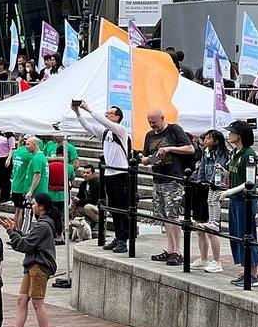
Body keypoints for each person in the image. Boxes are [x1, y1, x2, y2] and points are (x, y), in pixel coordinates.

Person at [140, 108, 196, 266]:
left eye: (154, 122)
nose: (152, 125)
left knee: (173, 215)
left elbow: (190, 148)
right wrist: (150, 159)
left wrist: (170, 148)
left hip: (173, 178)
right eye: (150, 123)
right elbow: (144, 158)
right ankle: (170, 248)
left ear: (162, 118)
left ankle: (177, 251)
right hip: (158, 178)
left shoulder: (174, 130)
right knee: (164, 215)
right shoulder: (149, 136)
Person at [73, 101, 130, 252]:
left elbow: (104, 122)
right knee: (113, 207)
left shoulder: (121, 130)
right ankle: (118, 237)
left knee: (122, 208)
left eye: (110, 113)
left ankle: (123, 239)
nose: (106, 116)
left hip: (120, 173)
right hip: (110, 173)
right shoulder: (106, 133)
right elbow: (89, 127)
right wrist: (78, 113)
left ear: (117, 117)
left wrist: (89, 109)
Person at [3, 193, 60, 327]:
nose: (32, 206)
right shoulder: (42, 223)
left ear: (41, 207)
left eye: (34, 204)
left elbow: (25, 245)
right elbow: (27, 239)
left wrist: (11, 232)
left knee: (37, 303)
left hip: (39, 266)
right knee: (22, 299)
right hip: (32, 265)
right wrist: (15, 231)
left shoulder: (43, 225)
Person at [224, 120, 258, 287]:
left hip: (244, 200)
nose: (229, 134)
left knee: (248, 235)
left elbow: (249, 181)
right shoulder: (235, 153)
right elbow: (235, 174)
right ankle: (246, 270)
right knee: (238, 235)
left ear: (240, 135)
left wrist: (229, 191)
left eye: (232, 132)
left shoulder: (248, 154)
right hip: (235, 199)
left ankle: (253, 274)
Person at [191, 129, 229, 274]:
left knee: (212, 227)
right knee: (199, 225)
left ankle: (217, 260)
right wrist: (199, 182)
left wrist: (210, 183)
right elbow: (201, 169)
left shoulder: (221, 154)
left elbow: (217, 171)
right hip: (202, 189)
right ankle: (204, 258)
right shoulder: (205, 152)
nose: (205, 140)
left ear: (216, 141)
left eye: (209, 138)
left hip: (213, 189)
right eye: (205, 138)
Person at [6, 137, 38, 226]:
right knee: (21, 211)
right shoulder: (29, 155)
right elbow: (38, 157)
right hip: (22, 186)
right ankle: (19, 229)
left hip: (15, 184)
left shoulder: (17, 152)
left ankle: (15, 229)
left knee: (17, 210)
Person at [70, 165, 100, 231]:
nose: (85, 175)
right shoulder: (84, 183)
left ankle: (99, 222)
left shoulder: (98, 183)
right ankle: (77, 226)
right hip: (86, 205)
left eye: (88, 173)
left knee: (87, 207)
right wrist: (75, 202)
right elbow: (79, 195)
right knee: (73, 207)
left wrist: (79, 201)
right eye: (84, 173)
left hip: (97, 207)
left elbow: (94, 200)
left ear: (93, 174)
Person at [0, 131, 16, 203]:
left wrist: (9, 158)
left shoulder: (10, 135)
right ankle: (2, 196)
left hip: (6, 158)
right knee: (1, 179)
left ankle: (6, 196)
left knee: (6, 178)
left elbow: (12, 148)